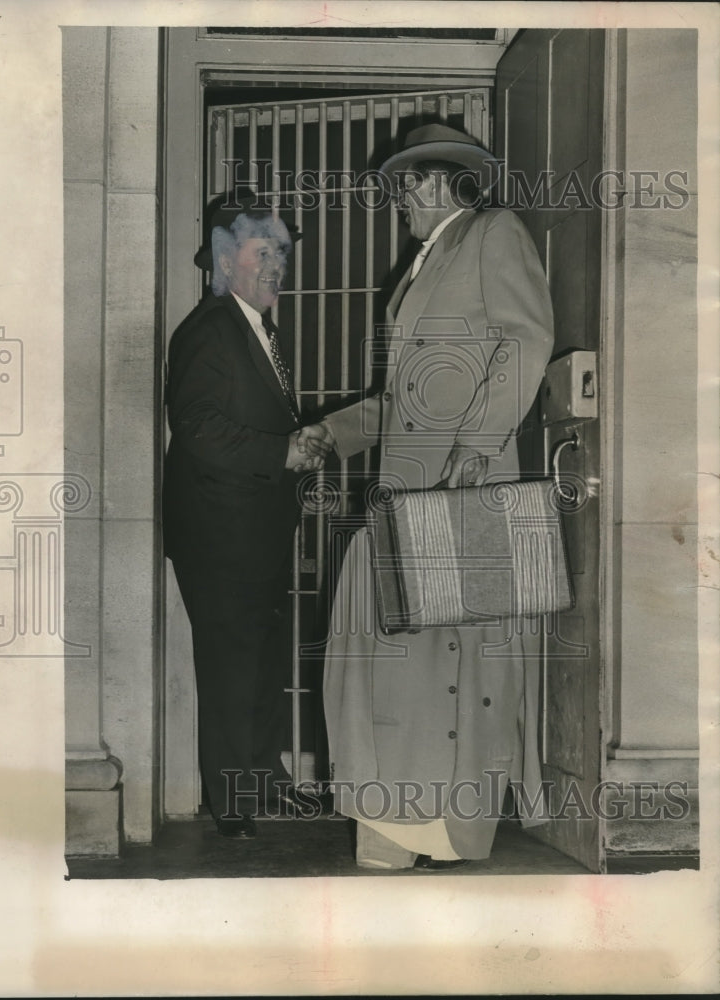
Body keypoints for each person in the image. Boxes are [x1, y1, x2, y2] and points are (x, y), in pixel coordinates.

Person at [316, 124, 556, 869]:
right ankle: (400, 828)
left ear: (427, 184)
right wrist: (329, 434)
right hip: (417, 488)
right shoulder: (422, 266)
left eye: (404, 192)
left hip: (466, 485)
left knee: (459, 664)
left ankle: (441, 833)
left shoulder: (491, 234)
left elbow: (526, 339)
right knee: (413, 667)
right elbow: (406, 397)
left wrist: (480, 445)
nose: (401, 207)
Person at [162, 192, 330, 839]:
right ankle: (232, 802)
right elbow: (198, 427)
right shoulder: (209, 328)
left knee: (258, 665)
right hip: (219, 536)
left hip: (253, 530)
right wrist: (278, 451)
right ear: (227, 258)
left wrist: (296, 448)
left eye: (284, 251)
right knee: (233, 668)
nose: (278, 264)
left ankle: (262, 780)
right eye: (266, 250)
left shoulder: (257, 327)